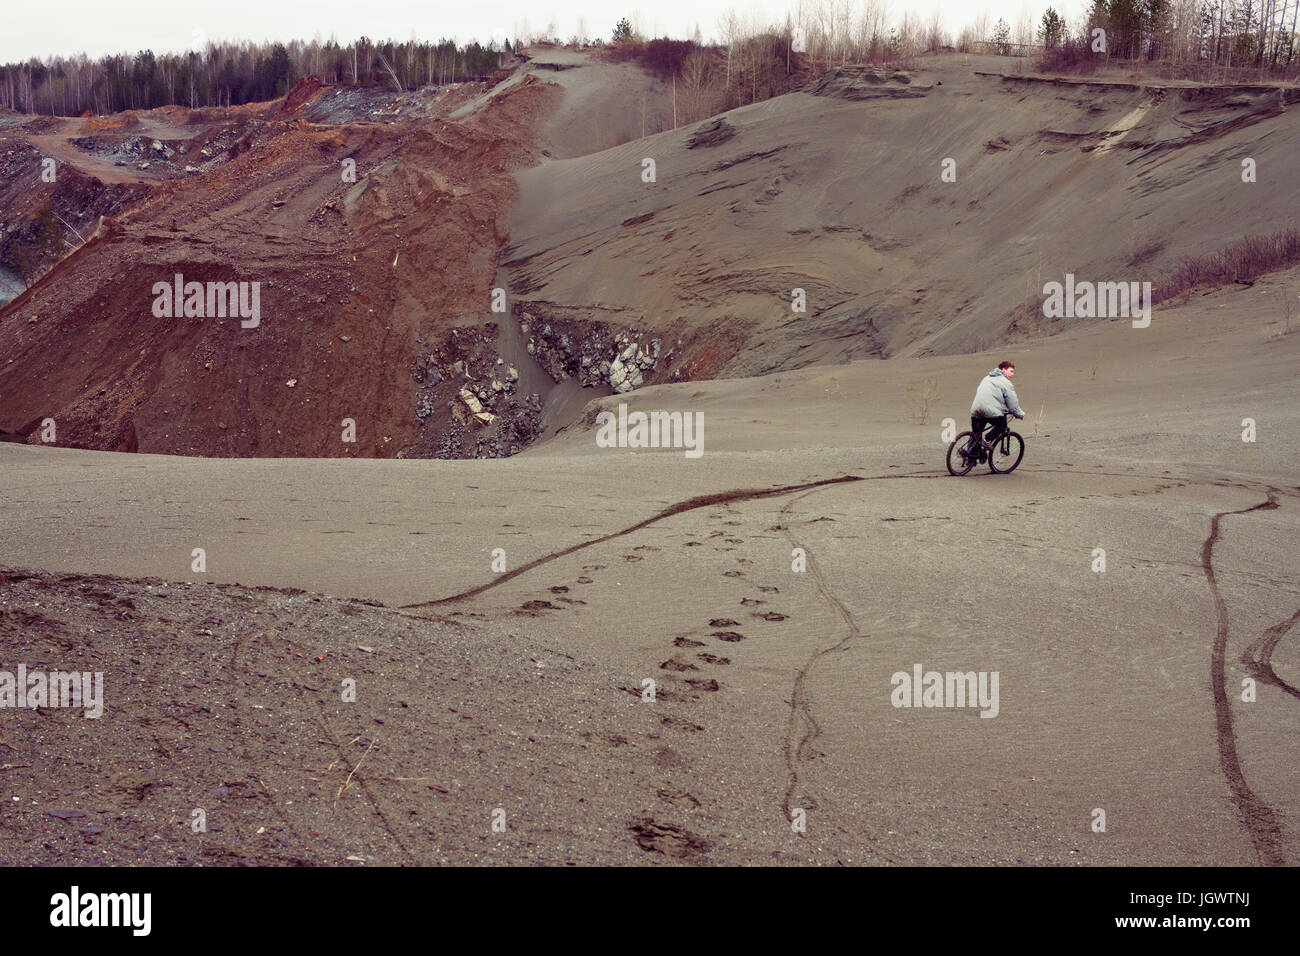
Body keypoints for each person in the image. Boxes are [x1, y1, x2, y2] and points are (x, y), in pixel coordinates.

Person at [966, 361, 1024, 459]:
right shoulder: (1005, 382)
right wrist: (1019, 414)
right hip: (990, 411)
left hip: (976, 409)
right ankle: (986, 440)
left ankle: (969, 456)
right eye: (1011, 371)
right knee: (1002, 425)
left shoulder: (986, 378)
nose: (1012, 374)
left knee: (976, 434)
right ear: (1003, 370)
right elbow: (1012, 401)